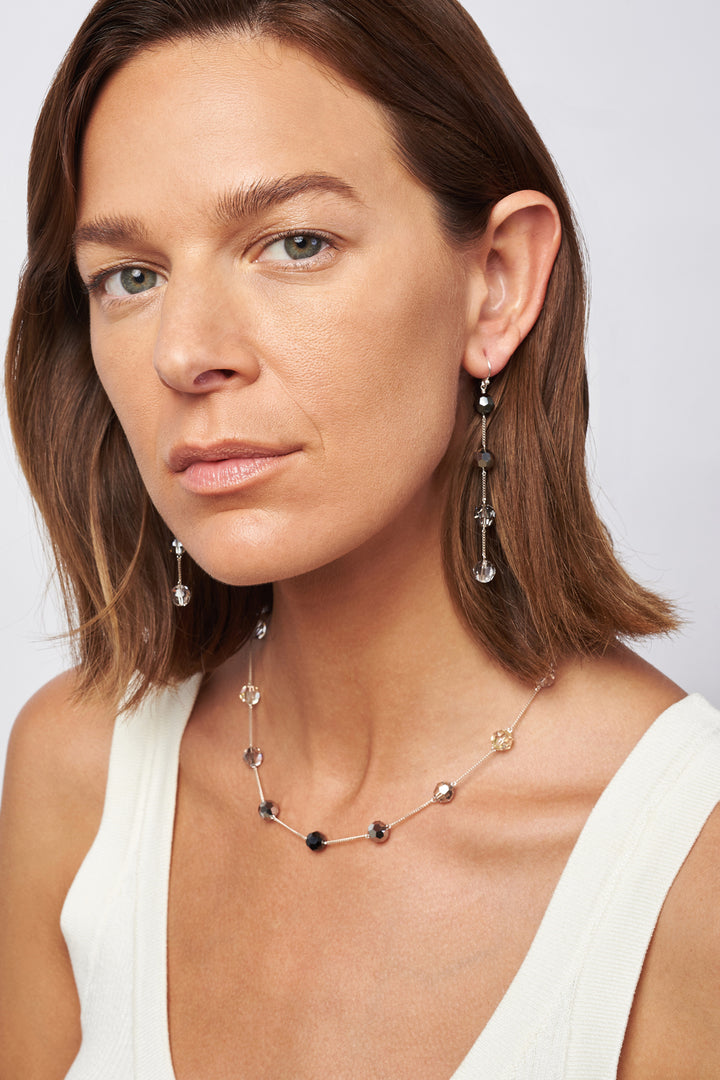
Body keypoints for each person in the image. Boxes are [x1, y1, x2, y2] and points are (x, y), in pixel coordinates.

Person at [1, 0, 718, 1077]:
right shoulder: (77, 774)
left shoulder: (689, 867)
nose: (185, 353)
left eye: (296, 244)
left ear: (497, 283)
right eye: (130, 276)